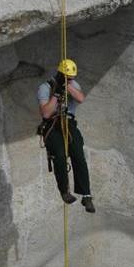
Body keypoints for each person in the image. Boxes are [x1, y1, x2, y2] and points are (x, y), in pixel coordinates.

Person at [37, 58, 95, 213]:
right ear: (60, 74)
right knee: (60, 155)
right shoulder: (45, 88)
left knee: (78, 154)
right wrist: (56, 94)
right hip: (52, 124)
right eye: (68, 78)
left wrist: (68, 87)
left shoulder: (73, 85)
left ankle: (86, 195)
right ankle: (64, 190)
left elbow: (81, 98)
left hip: (69, 122)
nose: (71, 80)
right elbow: (46, 113)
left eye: (72, 78)